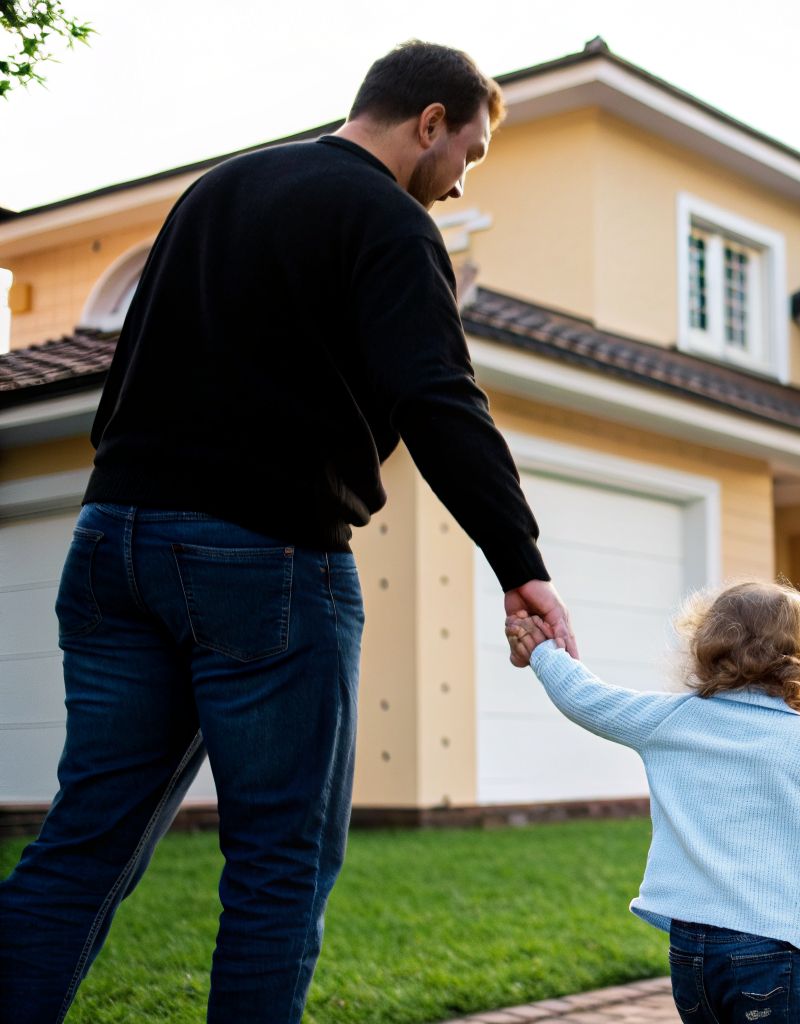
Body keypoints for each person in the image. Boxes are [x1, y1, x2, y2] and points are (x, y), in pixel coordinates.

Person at [0, 41, 577, 1024]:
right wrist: (520, 564)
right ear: (429, 123)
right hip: (263, 558)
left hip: (111, 542)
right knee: (278, 861)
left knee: (85, 838)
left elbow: (127, 370)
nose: (457, 182)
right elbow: (439, 397)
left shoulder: (218, 192)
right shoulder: (389, 223)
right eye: (467, 156)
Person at [505, 580, 800, 1024]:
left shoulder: (668, 721)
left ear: (706, 645)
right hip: (767, 947)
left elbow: (585, 698)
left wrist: (543, 651)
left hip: (690, 951)